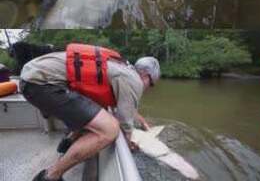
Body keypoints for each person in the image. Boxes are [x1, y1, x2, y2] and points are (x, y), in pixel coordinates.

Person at [19, 43, 160, 181]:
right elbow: (125, 123)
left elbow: (126, 109)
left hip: (32, 76)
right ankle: (50, 176)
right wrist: (129, 145)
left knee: (99, 113)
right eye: (151, 84)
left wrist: (142, 124)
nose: (148, 89)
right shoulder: (135, 81)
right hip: (41, 83)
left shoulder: (121, 67)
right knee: (110, 129)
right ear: (146, 76)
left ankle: (68, 143)